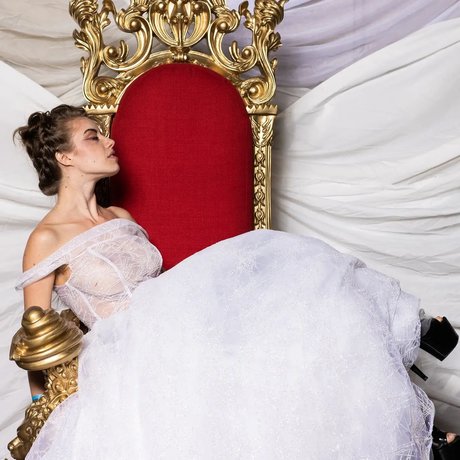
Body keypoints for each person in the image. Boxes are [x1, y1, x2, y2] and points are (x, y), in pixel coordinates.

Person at [13, 104, 458, 459]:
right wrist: (41, 409)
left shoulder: (120, 216)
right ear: (65, 157)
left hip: (176, 320)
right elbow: (33, 339)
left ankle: (414, 388)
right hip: (127, 350)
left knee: (299, 296)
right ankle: (425, 386)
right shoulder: (47, 239)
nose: (110, 141)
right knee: (273, 282)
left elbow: (160, 283)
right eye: (93, 136)